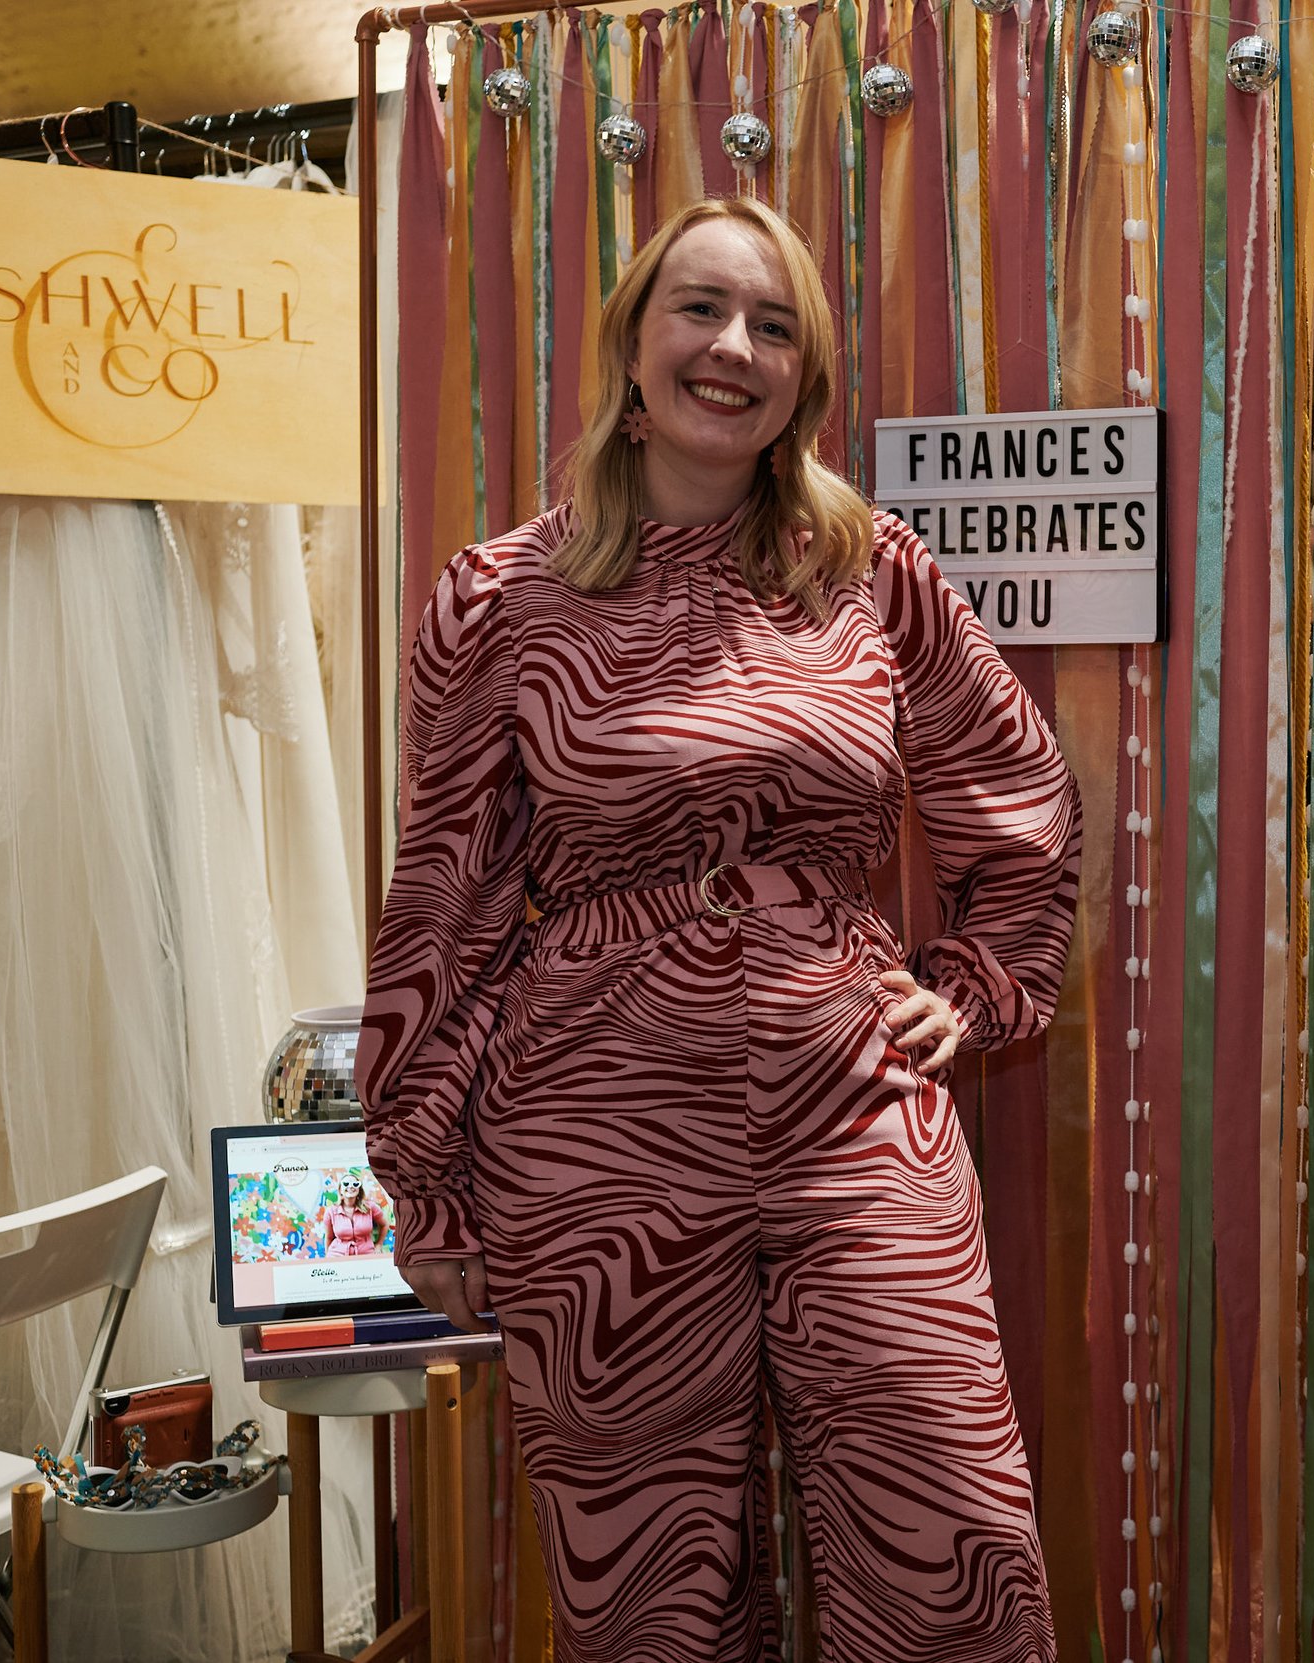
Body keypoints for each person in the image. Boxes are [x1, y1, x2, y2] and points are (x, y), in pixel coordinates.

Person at [357, 195, 1080, 1663]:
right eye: (699, 308)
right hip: (594, 1137)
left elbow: (1020, 793)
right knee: (649, 1597)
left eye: (773, 323)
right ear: (631, 340)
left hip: (855, 1110)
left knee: (956, 1546)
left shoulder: (874, 571)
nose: (731, 347)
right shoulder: (498, 599)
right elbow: (445, 900)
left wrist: (984, 980)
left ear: (805, 376)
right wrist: (425, 1180)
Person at [314, 1173, 389, 1257]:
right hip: (338, 1255)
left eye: (355, 1184)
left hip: (366, 1254)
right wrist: (328, 1258)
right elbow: (329, 1237)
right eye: (346, 1184)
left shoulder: (370, 1207)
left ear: (359, 1189)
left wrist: (379, 1245)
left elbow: (384, 1225)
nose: (350, 1186)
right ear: (340, 1190)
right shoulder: (331, 1211)